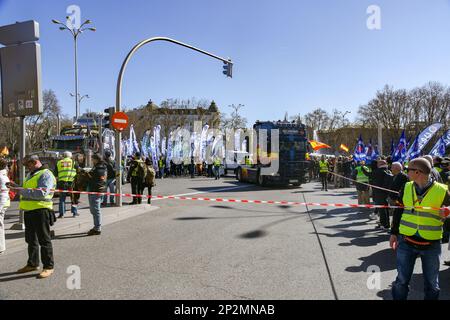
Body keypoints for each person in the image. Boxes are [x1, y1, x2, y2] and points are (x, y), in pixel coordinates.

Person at [390, 157, 450, 300]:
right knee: (401, 282)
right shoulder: (406, 187)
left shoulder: (442, 190)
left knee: (432, 284)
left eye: (408, 169)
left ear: (417, 172)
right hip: (406, 241)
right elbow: (399, 211)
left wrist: (448, 211)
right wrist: (393, 233)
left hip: (431, 244)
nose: (406, 172)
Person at [10, 155, 56, 279]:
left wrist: (20, 190)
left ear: (35, 162)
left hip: (41, 210)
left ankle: (48, 267)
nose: (27, 168)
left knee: (44, 240)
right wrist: (16, 186)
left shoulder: (45, 174)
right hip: (30, 211)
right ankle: (32, 263)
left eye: (28, 165)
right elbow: (27, 189)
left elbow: (41, 193)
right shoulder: (32, 174)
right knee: (31, 240)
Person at [86, 153, 107, 235]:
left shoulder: (98, 169)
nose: (91, 160)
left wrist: (87, 175)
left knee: (95, 210)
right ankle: (97, 226)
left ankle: (97, 228)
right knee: (94, 210)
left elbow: (93, 179)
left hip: (96, 191)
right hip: (99, 190)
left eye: (92, 159)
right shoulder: (102, 167)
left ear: (96, 159)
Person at [55, 151, 78, 218]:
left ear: (63, 156)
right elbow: (78, 171)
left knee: (62, 199)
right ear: (70, 156)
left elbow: (56, 175)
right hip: (71, 183)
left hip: (62, 183)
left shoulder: (59, 163)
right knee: (73, 198)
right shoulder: (74, 162)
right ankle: (74, 213)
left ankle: (61, 214)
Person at [372, 160, 393, 229]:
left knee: (382, 210)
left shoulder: (377, 171)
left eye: (378, 163)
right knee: (385, 209)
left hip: (379, 193)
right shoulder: (388, 171)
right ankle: (386, 224)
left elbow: (369, 175)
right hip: (385, 192)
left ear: (380, 164)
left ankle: (384, 224)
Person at [0, 158, 10, 254]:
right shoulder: (3, 175)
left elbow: (3, 194)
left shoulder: (1, 177)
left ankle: (1, 247)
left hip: (1, 204)